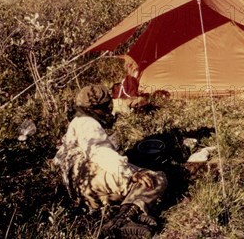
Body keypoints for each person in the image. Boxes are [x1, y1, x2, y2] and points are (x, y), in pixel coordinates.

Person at [53, 84, 167, 238]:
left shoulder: (77, 122)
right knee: (155, 178)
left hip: (82, 191)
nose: (109, 109)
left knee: (126, 189)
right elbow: (99, 152)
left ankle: (122, 216)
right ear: (94, 107)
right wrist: (131, 173)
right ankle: (122, 220)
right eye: (106, 106)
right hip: (88, 177)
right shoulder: (88, 123)